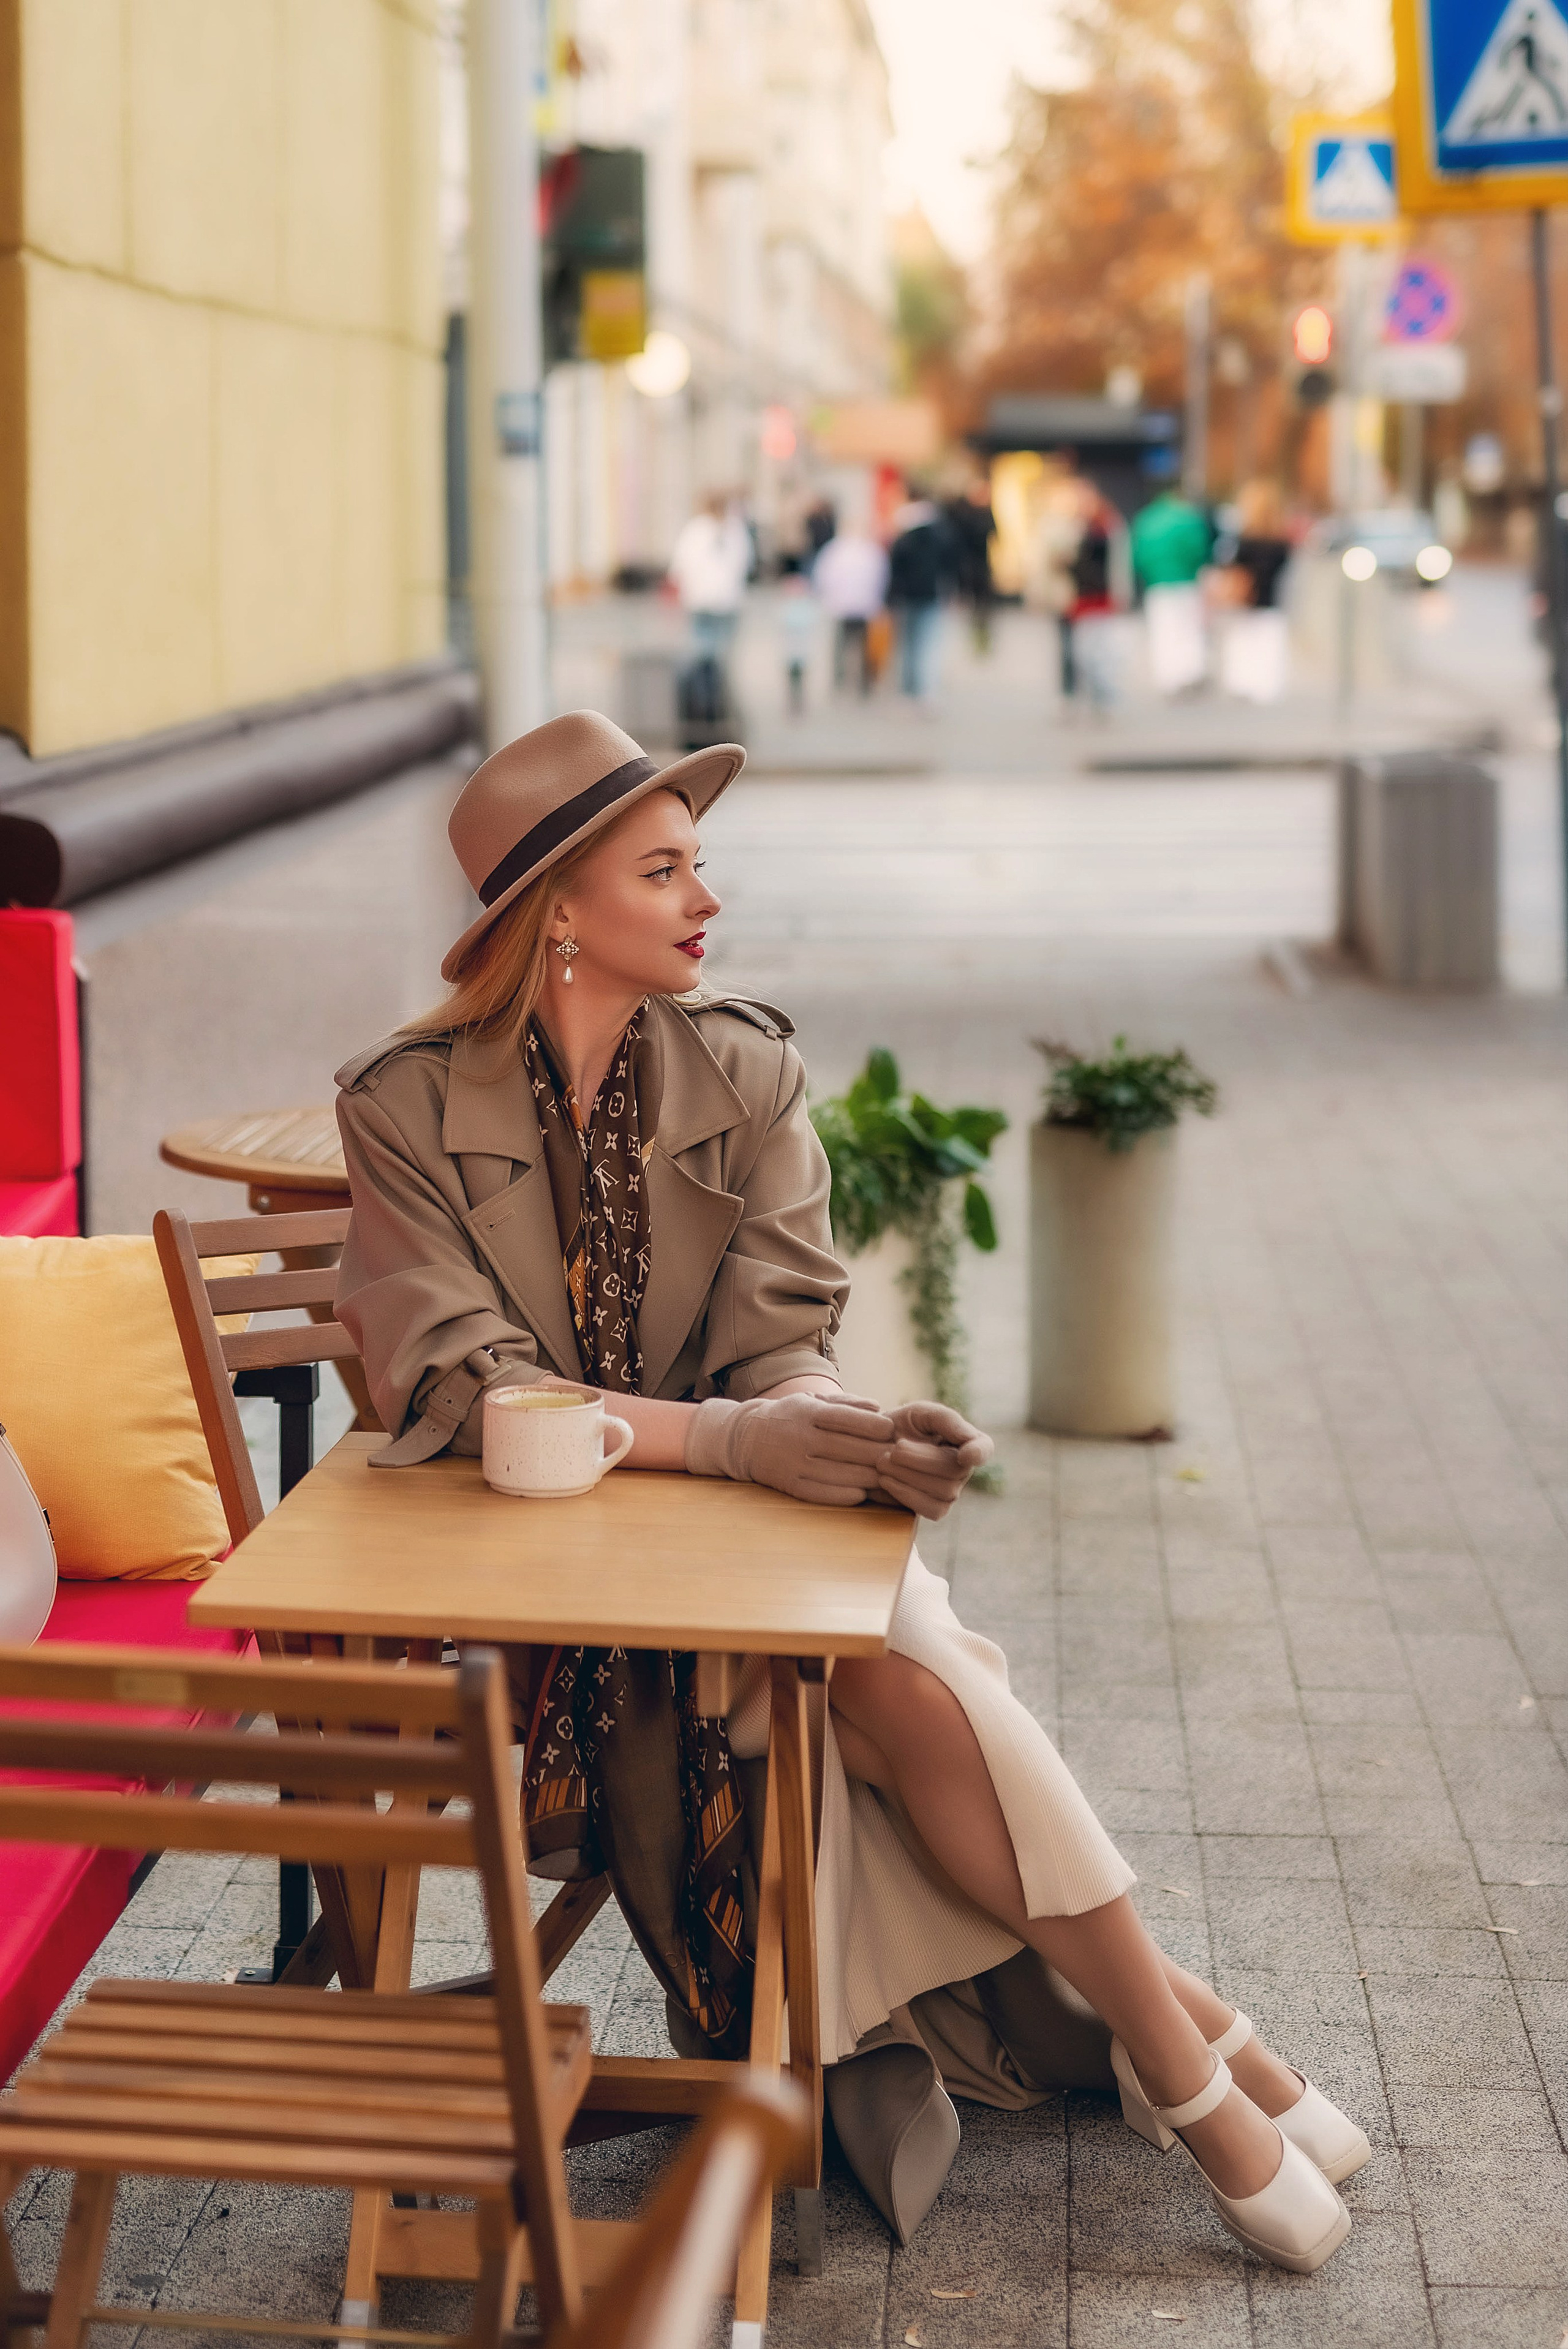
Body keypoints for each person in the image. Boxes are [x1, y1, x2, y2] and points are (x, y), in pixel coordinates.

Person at [333, 711, 1366, 2274]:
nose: (705, 897)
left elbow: (783, 1331)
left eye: (701, 863)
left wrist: (845, 1428)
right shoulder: (401, 1104)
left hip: (742, 1568)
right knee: (888, 1667)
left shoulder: (744, 1064)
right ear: (555, 907)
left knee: (891, 1658)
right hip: (532, 1613)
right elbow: (465, 1385)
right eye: (663, 867)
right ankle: (1196, 2047)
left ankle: (1179, 2061)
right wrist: (734, 1445)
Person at [1130, 486, 1213, 696]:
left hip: (1158, 583)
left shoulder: (1147, 519)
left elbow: (1138, 554)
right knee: (1188, 630)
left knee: (1163, 631)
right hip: (1186, 581)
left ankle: (1168, 677)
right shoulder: (1188, 519)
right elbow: (1201, 550)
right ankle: (1189, 672)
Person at [667, 491, 751, 661]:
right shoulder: (736, 529)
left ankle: (705, 681)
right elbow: (746, 562)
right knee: (724, 648)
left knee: (702, 646)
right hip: (728, 599)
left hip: (700, 598)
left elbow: (680, 564)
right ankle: (718, 681)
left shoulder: (695, 529)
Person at [886, 496, 952, 703]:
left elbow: (893, 573)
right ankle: (925, 691)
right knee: (927, 646)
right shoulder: (939, 540)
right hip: (930, 597)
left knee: (908, 647)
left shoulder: (903, 542)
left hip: (907, 599)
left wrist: (890, 599)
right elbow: (949, 567)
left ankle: (909, 691)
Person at [812, 521, 889, 695]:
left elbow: (823, 576)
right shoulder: (872, 551)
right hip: (864, 605)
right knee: (862, 644)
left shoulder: (834, 550)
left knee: (841, 643)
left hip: (842, 605)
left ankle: (840, 679)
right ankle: (863, 682)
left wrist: (827, 599)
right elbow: (882, 577)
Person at [943, 475, 997, 654]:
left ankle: (982, 641)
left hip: (981, 567)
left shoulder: (985, 513)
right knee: (966, 605)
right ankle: (969, 641)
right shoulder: (962, 512)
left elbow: (994, 535)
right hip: (966, 567)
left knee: (983, 607)